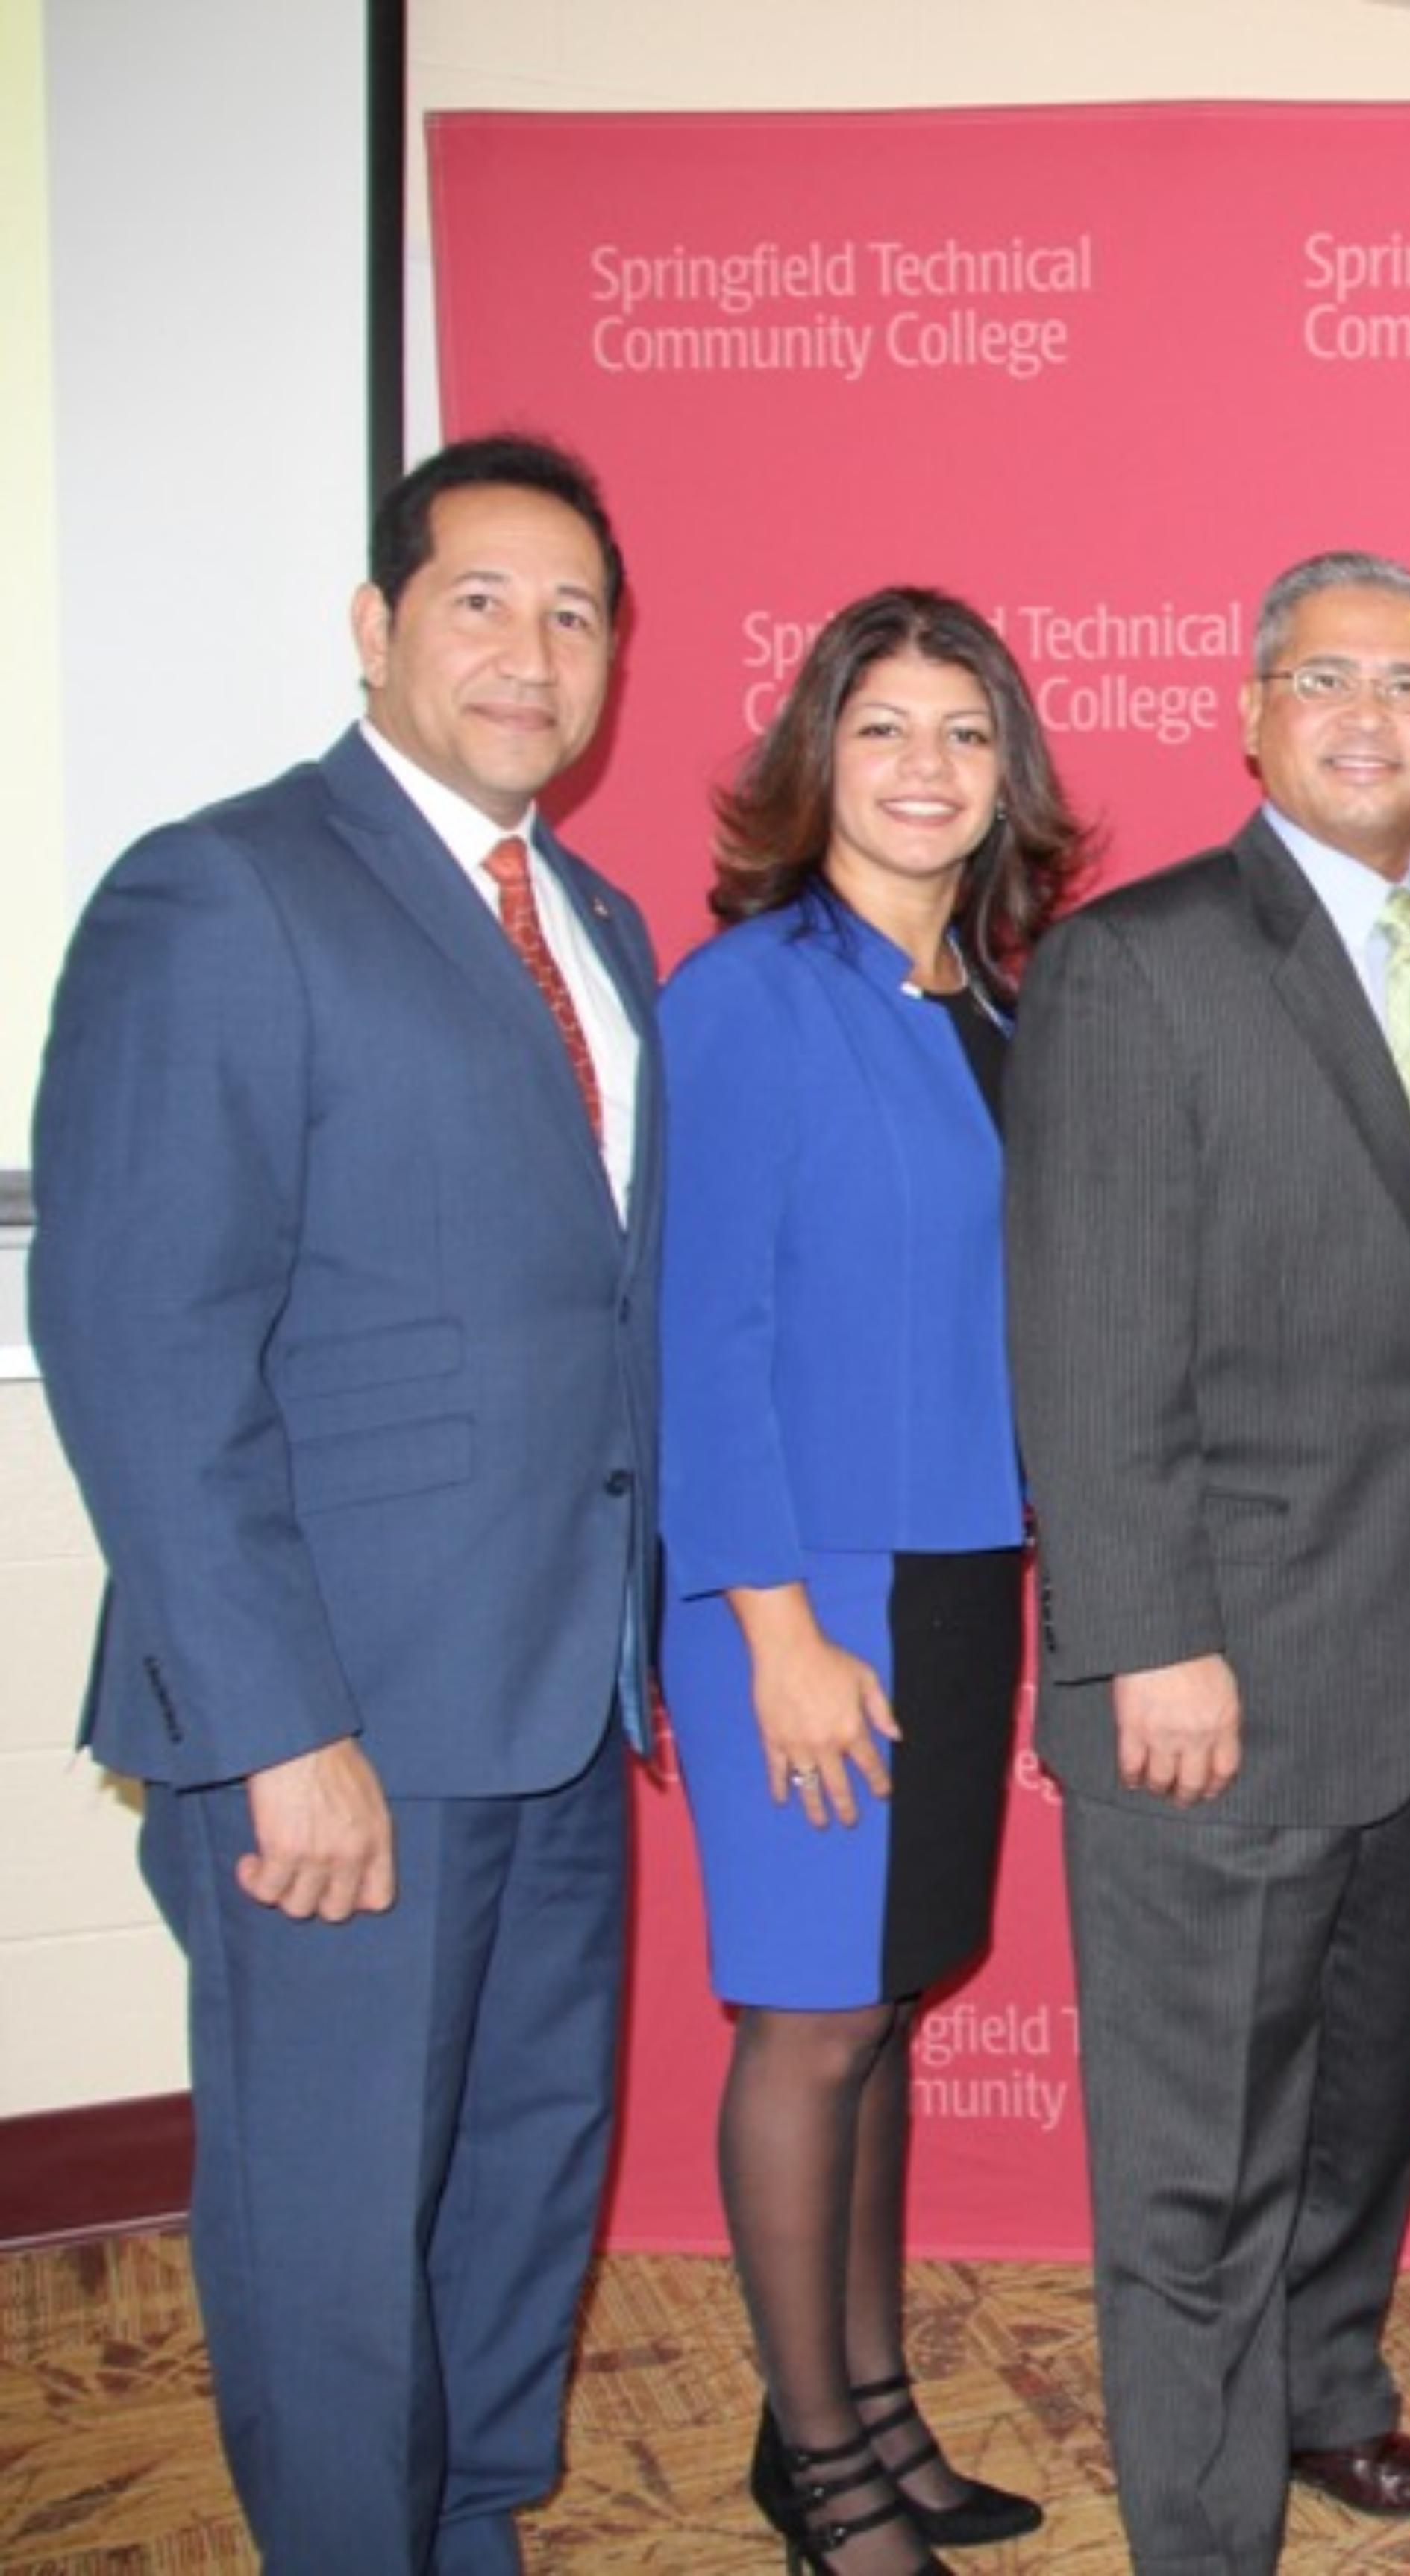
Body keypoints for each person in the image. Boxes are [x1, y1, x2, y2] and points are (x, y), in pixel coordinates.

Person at [31, 435, 658, 2575]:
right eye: (483, 599)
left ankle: (465, 2530)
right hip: (344, 1729)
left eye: (574, 615)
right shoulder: (223, 887)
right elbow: (138, 1335)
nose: (531, 650)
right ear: (378, 628)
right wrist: (280, 1727)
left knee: (516, 2177)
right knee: (327, 2218)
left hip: (560, 1695)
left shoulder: (595, 916)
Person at [1006, 550, 1410, 2575]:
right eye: (1325, 679)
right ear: (1247, 711)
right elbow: (1088, 1333)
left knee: (1354, 2108)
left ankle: (1324, 2398)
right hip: (1210, 1675)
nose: (1368, 714)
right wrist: (1147, 1639)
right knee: (1198, 2157)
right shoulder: (1137, 964)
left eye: (1408, 682)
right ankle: (1202, 2535)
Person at [658, 588, 1094, 2572]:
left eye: (963, 735)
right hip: (802, 1591)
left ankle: (870, 2416)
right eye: (883, 730)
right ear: (813, 757)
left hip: (954, 1568)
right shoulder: (744, 995)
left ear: (1009, 775)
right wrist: (773, 1630)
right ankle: (817, 2466)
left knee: (887, 2004)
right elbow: (705, 1334)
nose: (925, 771)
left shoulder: (998, 1009)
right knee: (809, 2026)